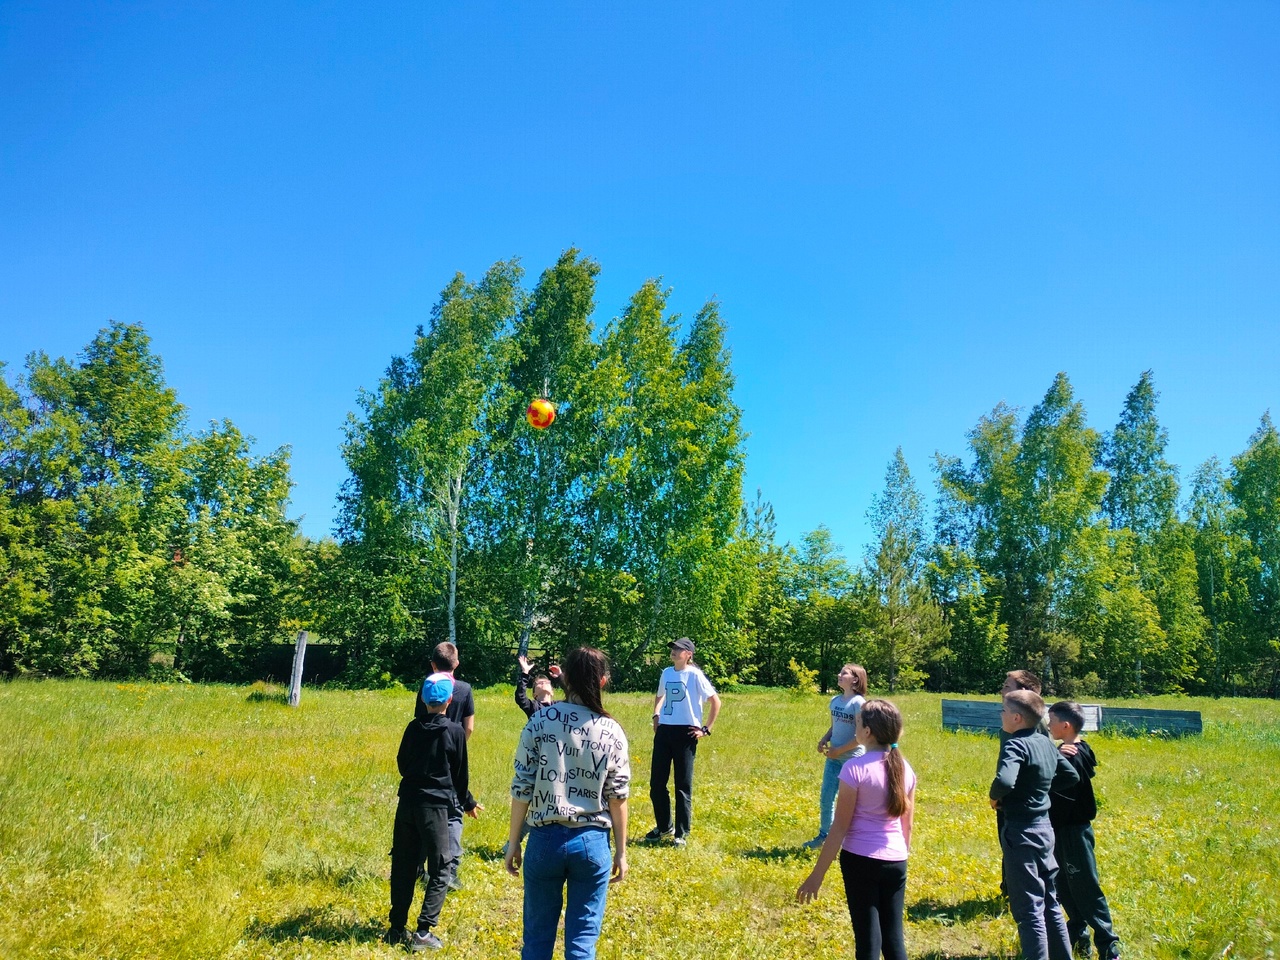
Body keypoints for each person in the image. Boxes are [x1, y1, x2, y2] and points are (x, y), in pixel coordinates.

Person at [505, 647, 630, 960]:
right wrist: (622, 851)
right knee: (581, 945)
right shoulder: (611, 730)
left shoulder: (540, 721)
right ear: (603, 681)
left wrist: (513, 843)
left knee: (535, 942)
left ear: (565, 679)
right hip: (592, 844)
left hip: (544, 839)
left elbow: (522, 787)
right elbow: (618, 798)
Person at [796, 699, 916, 960]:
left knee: (868, 942)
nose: (855, 727)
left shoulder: (854, 769)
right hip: (897, 861)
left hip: (861, 862)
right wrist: (900, 857)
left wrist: (817, 875)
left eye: (857, 723)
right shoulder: (906, 768)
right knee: (894, 940)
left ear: (867, 732)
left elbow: (839, 828)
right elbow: (907, 825)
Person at [387, 672, 480, 951]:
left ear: (423, 699)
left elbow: (402, 764)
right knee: (441, 868)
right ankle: (424, 932)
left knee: (404, 865)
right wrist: (468, 803)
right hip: (436, 808)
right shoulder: (454, 732)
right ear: (450, 700)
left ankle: (395, 928)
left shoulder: (412, 727)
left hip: (407, 805)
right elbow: (460, 777)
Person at [991, 689, 1080, 960]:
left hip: (1022, 831)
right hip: (1045, 829)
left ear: (1016, 718)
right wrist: (1038, 791)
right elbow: (1071, 776)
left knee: (1029, 909)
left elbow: (1005, 781)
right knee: (1051, 901)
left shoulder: (1015, 744)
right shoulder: (1044, 743)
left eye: (1004, 710)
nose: (1001, 715)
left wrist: (995, 797)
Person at [1047, 701, 1121, 960]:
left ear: (1065, 725)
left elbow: (1063, 795)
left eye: (1051, 720)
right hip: (1063, 831)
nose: (1048, 724)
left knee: (1086, 887)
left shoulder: (1072, 757)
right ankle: (1078, 936)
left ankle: (1108, 944)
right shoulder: (1074, 749)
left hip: (1072, 831)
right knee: (1065, 885)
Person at [646, 637, 721, 847]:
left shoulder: (695, 675)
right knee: (657, 784)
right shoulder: (666, 673)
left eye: (679, 649)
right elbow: (660, 695)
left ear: (688, 654)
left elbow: (715, 701)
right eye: (672, 649)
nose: (674, 652)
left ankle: (681, 833)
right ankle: (663, 826)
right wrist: (656, 715)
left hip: (686, 733)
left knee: (682, 785)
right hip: (665, 731)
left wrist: (706, 729)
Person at [804, 663, 869, 849]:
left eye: (844, 673)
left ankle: (852, 842)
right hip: (833, 759)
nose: (839, 675)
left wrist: (839, 751)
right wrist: (824, 740)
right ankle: (825, 836)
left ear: (855, 679)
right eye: (840, 672)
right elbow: (835, 727)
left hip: (852, 760)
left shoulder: (859, 703)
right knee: (826, 797)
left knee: (850, 803)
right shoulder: (835, 701)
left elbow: (861, 736)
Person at [515, 654, 557, 718]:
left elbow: (572, 697)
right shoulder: (533, 706)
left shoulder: (559, 706)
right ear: (534, 695)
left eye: (547, 682)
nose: (543, 683)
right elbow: (520, 696)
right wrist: (525, 672)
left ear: (552, 692)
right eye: (539, 683)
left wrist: (560, 677)